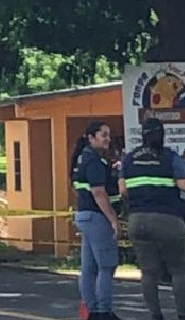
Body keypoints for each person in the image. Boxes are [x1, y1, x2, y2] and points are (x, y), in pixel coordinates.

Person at [118, 118, 185, 320]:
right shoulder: (170, 157)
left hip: (138, 221)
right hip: (168, 219)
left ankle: (155, 315)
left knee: (148, 272)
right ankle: (183, 315)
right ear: (162, 135)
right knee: (179, 271)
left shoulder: (129, 159)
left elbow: (123, 190)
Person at [71, 121, 122, 320]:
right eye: (103, 135)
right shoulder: (94, 161)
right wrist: (113, 220)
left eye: (108, 135)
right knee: (106, 266)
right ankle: (103, 311)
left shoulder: (83, 158)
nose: (107, 139)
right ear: (91, 137)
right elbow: (99, 192)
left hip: (84, 215)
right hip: (96, 217)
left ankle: (92, 310)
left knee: (89, 267)